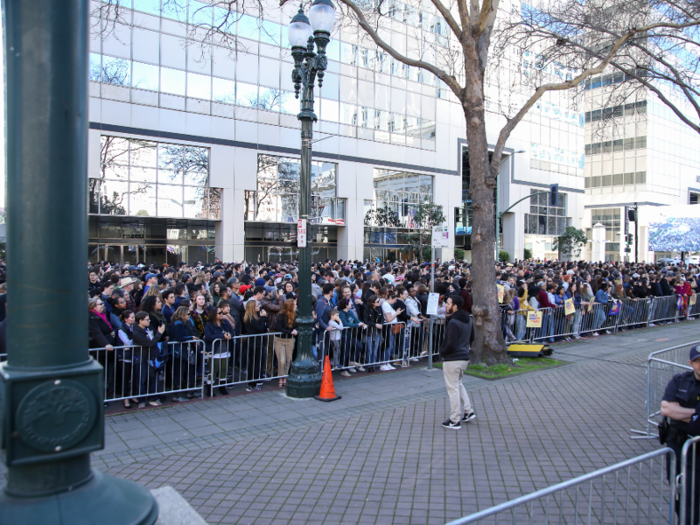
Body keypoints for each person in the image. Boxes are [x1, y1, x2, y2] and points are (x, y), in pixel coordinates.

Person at [661, 345, 700, 524]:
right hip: (677, 448)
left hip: (697, 452)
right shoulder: (679, 381)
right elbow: (666, 408)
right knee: (678, 491)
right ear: (690, 363)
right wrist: (695, 414)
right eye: (698, 361)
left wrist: (681, 411)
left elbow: (675, 410)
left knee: (694, 496)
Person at [438, 295, 476, 430]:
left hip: (453, 359)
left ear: (455, 306)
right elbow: (471, 337)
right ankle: (468, 410)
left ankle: (455, 419)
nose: (445, 305)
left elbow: (451, 344)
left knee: (453, 388)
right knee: (458, 384)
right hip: (463, 357)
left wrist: (442, 352)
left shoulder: (454, 322)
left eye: (448, 303)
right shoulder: (467, 320)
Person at [203, 305, 233, 396]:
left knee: (224, 369)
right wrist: (222, 336)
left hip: (225, 350)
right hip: (214, 351)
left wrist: (230, 335)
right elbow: (208, 337)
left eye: (221, 313)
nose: (221, 314)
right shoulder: (209, 324)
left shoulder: (225, 322)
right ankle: (209, 389)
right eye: (219, 313)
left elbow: (232, 331)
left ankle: (222, 388)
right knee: (213, 370)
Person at [274, 299, 298, 387]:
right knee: (282, 360)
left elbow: (298, 325)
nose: (296, 306)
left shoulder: (296, 315)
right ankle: (281, 378)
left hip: (290, 340)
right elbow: (279, 327)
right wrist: (290, 332)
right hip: (280, 339)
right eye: (294, 305)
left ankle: (285, 377)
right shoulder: (281, 315)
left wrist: (296, 330)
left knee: (288, 359)